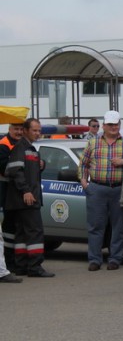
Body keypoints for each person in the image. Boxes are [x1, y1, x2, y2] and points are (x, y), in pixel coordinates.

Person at [78, 110, 123, 271]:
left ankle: (115, 259)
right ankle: (95, 260)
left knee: (119, 227)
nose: (113, 127)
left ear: (119, 125)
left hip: (119, 189)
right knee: (95, 226)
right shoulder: (93, 143)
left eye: (116, 124)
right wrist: (84, 182)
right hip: (97, 188)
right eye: (110, 124)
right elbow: (83, 163)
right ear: (104, 125)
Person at [5, 118, 55, 277]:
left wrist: (41, 164)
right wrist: (26, 191)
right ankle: (35, 267)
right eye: (34, 130)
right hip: (27, 198)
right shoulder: (21, 147)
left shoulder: (29, 148)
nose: (38, 133)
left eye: (39, 130)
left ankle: (21, 265)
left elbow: (28, 171)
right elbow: (15, 171)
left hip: (22, 199)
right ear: (26, 130)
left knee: (22, 234)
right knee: (35, 232)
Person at [0, 122, 25, 272]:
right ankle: (9, 262)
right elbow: (4, 168)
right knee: (8, 228)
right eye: (16, 129)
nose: (19, 132)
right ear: (9, 130)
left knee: (16, 228)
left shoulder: (22, 145)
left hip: (16, 190)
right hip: (5, 191)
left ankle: (17, 261)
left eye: (21, 129)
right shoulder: (3, 145)